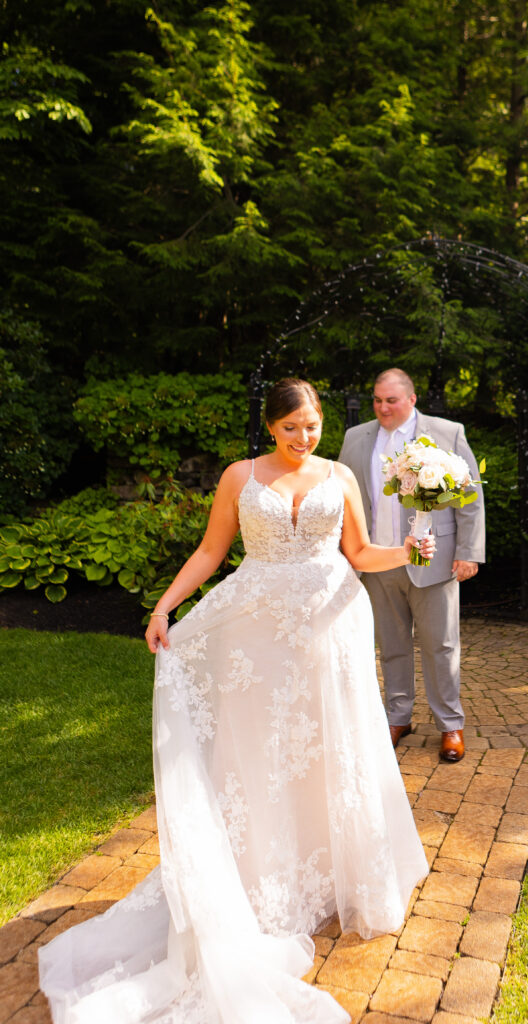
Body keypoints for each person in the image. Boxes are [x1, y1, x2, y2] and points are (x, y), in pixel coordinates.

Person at [38, 378, 433, 1024]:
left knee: (334, 746)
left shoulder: (341, 474)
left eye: (311, 426)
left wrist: (408, 550)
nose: (304, 439)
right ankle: (262, 880)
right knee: (263, 753)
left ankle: (333, 872)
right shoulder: (238, 477)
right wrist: (165, 605)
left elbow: (358, 553)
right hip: (257, 638)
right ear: (269, 427)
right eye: (291, 429)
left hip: (331, 629)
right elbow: (210, 551)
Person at [338, 368, 485, 763]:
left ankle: (450, 725)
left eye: (391, 400)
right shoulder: (356, 439)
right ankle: (397, 717)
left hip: (433, 560)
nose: (382, 407)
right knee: (391, 647)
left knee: (441, 645)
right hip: (378, 561)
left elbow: (469, 496)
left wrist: (469, 551)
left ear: (412, 399)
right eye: (377, 400)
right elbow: (344, 501)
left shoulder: (447, 433)